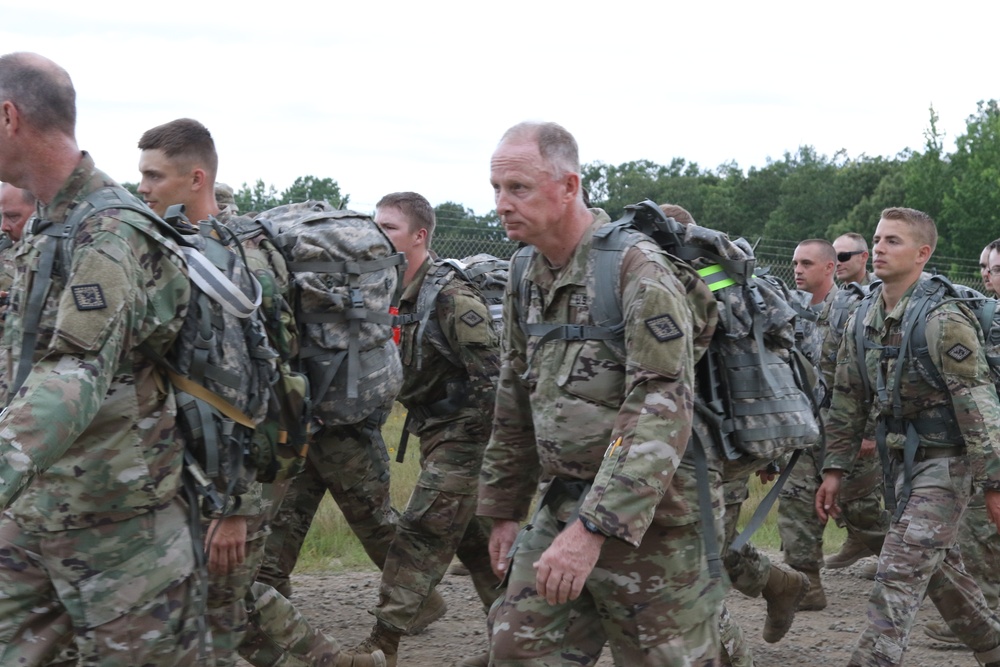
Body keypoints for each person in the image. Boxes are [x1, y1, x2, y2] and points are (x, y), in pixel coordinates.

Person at [136, 117, 385, 667]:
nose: (143, 188)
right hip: (220, 461)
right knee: (228, 593)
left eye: (154, 176)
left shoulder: (226, 260)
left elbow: (247, 388)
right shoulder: (212, 245)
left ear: (196, 178)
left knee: (221, 604)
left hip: (244, 462)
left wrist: (234, 506)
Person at [478, 121, 724, 666]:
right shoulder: (523, 270)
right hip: (564, 500)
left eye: (518, 188)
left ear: (569, 187)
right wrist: (503, 508)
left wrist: (592, 529)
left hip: (652, 518)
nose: (502, 203)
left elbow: (660, 409)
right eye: (495, 188)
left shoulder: (638, 270)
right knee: (517, 649)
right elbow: (515, 394)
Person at [0, 52, 202, 666]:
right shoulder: (47, 225)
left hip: (118, 530)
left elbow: (73, 373)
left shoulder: (110, 231)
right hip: (39, 509)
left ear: (8, 117)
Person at [816, 206, 1000, 667]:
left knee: (898, 569)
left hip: (947, 460)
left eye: (892, 241)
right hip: (897, 465)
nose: (879, 248)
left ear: (923, 253)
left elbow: (978, 406)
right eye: (877, 239)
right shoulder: (862, 317)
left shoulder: (943, 319)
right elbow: (848, 397)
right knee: (940, 573)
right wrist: (835, 469)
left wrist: (996, 482)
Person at [347, 191, 501, 667]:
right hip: (434, 430)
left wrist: (474, 448)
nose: (378, 235)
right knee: (476, 545)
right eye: (375, 226)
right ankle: (521, 641)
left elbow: (494, 377)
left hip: (467, 432)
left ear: (420, 236)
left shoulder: (452, 297)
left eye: (389, 227)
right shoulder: (388, 288)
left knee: (420, 531)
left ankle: (382, 643)